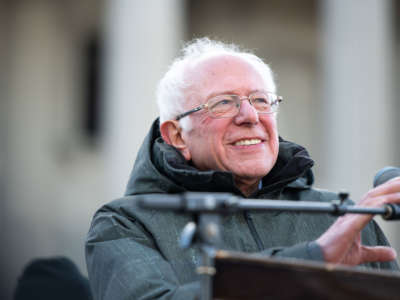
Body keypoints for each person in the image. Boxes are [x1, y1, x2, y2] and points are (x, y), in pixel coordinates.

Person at [85, 38, 400, 299]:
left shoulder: (342, 218)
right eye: (223, 103)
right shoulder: (125, 223)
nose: (250, 116)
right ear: (177, 135)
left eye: (261, 100)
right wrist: (311, 262)